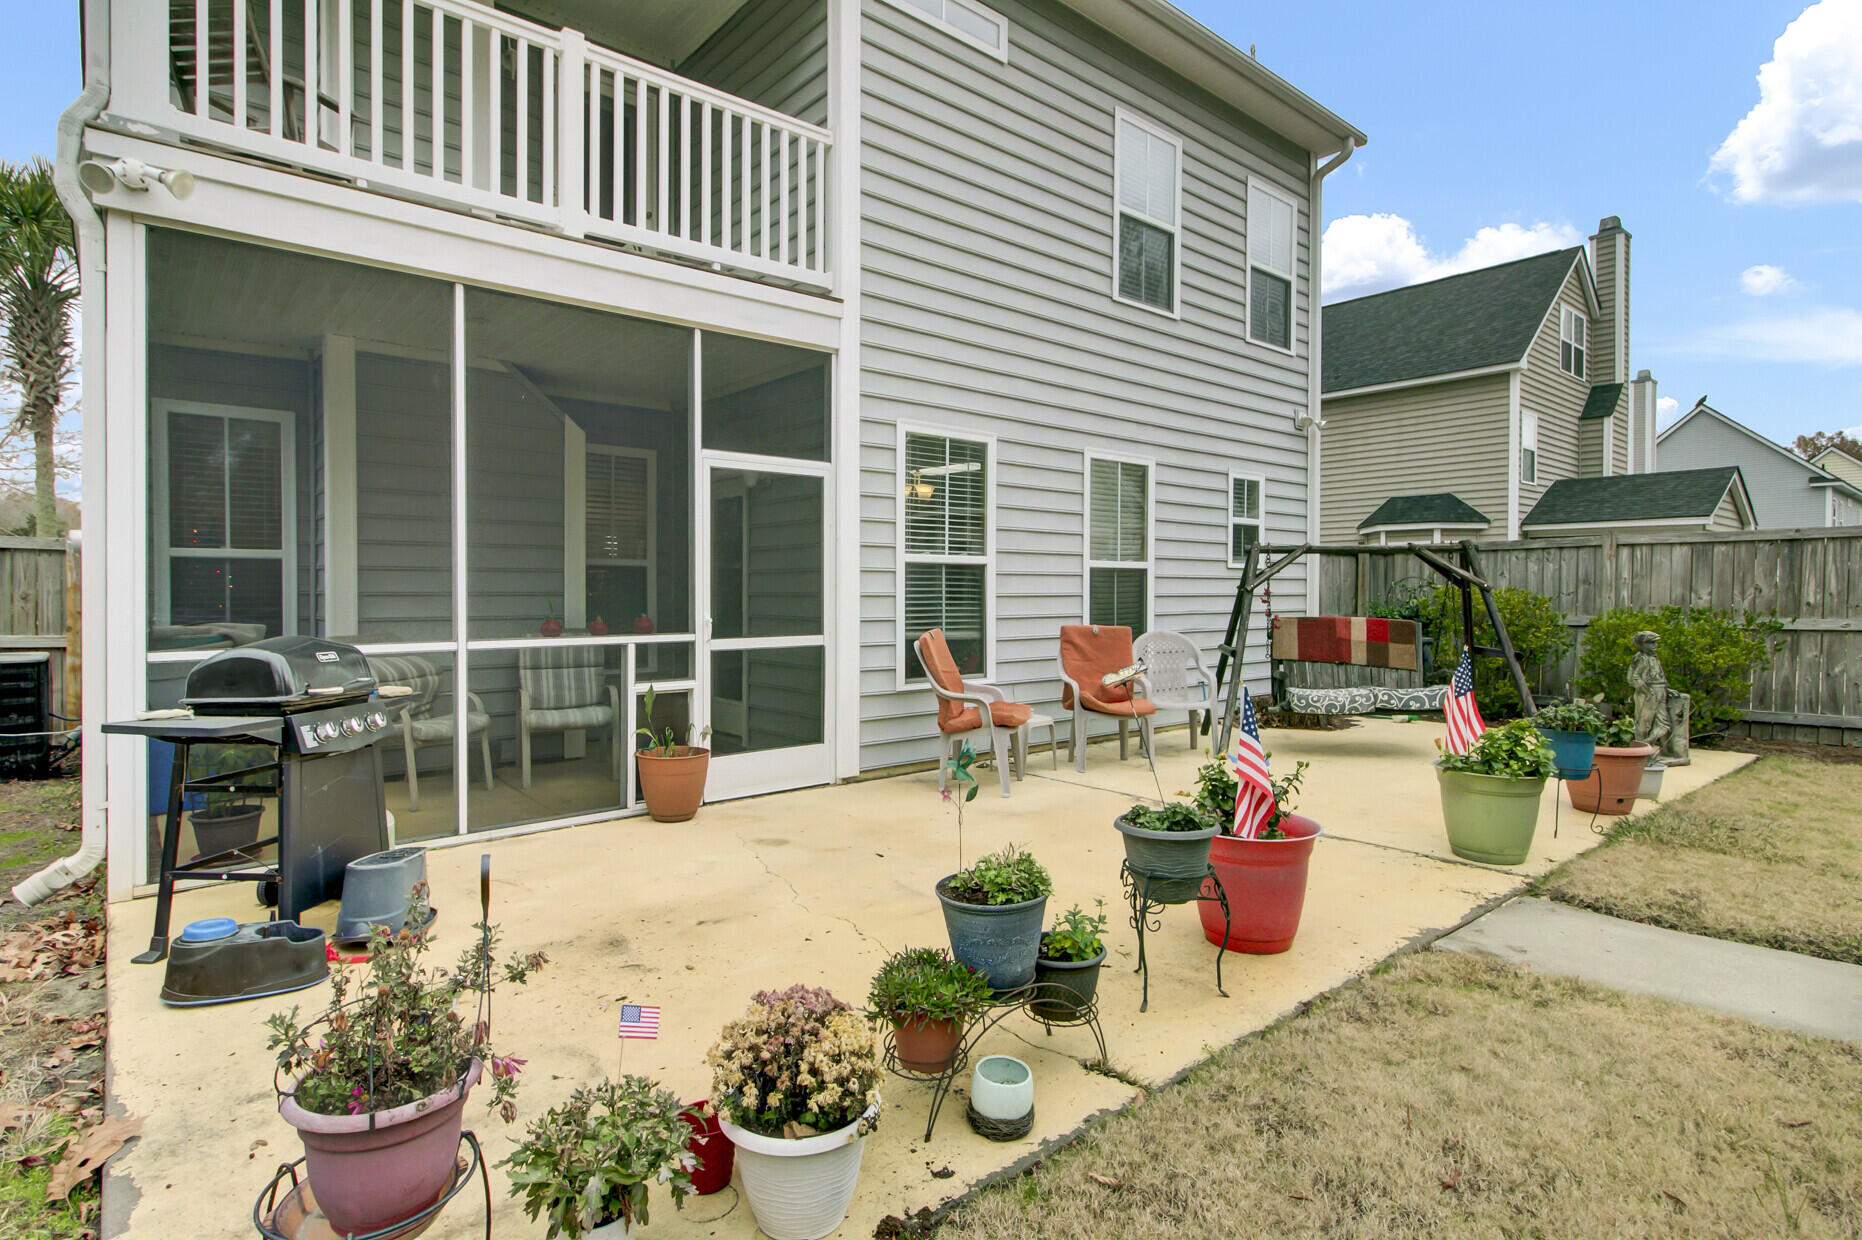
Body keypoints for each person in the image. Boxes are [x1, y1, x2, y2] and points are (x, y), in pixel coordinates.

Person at [1628, 631, 1690, 765]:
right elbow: (1634, 678)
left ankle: (1647, 745)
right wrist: (1648, 692)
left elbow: (1659, 677)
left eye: (1655, 642)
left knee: (1664, 724)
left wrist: (1667, 689)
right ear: (1642, 644)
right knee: (1644, 724)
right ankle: (1642, 751)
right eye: (1651, 642)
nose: (1655, 645)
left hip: (1660, 690)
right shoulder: (1641, 658)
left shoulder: (1654, 658)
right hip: (1648, 694)